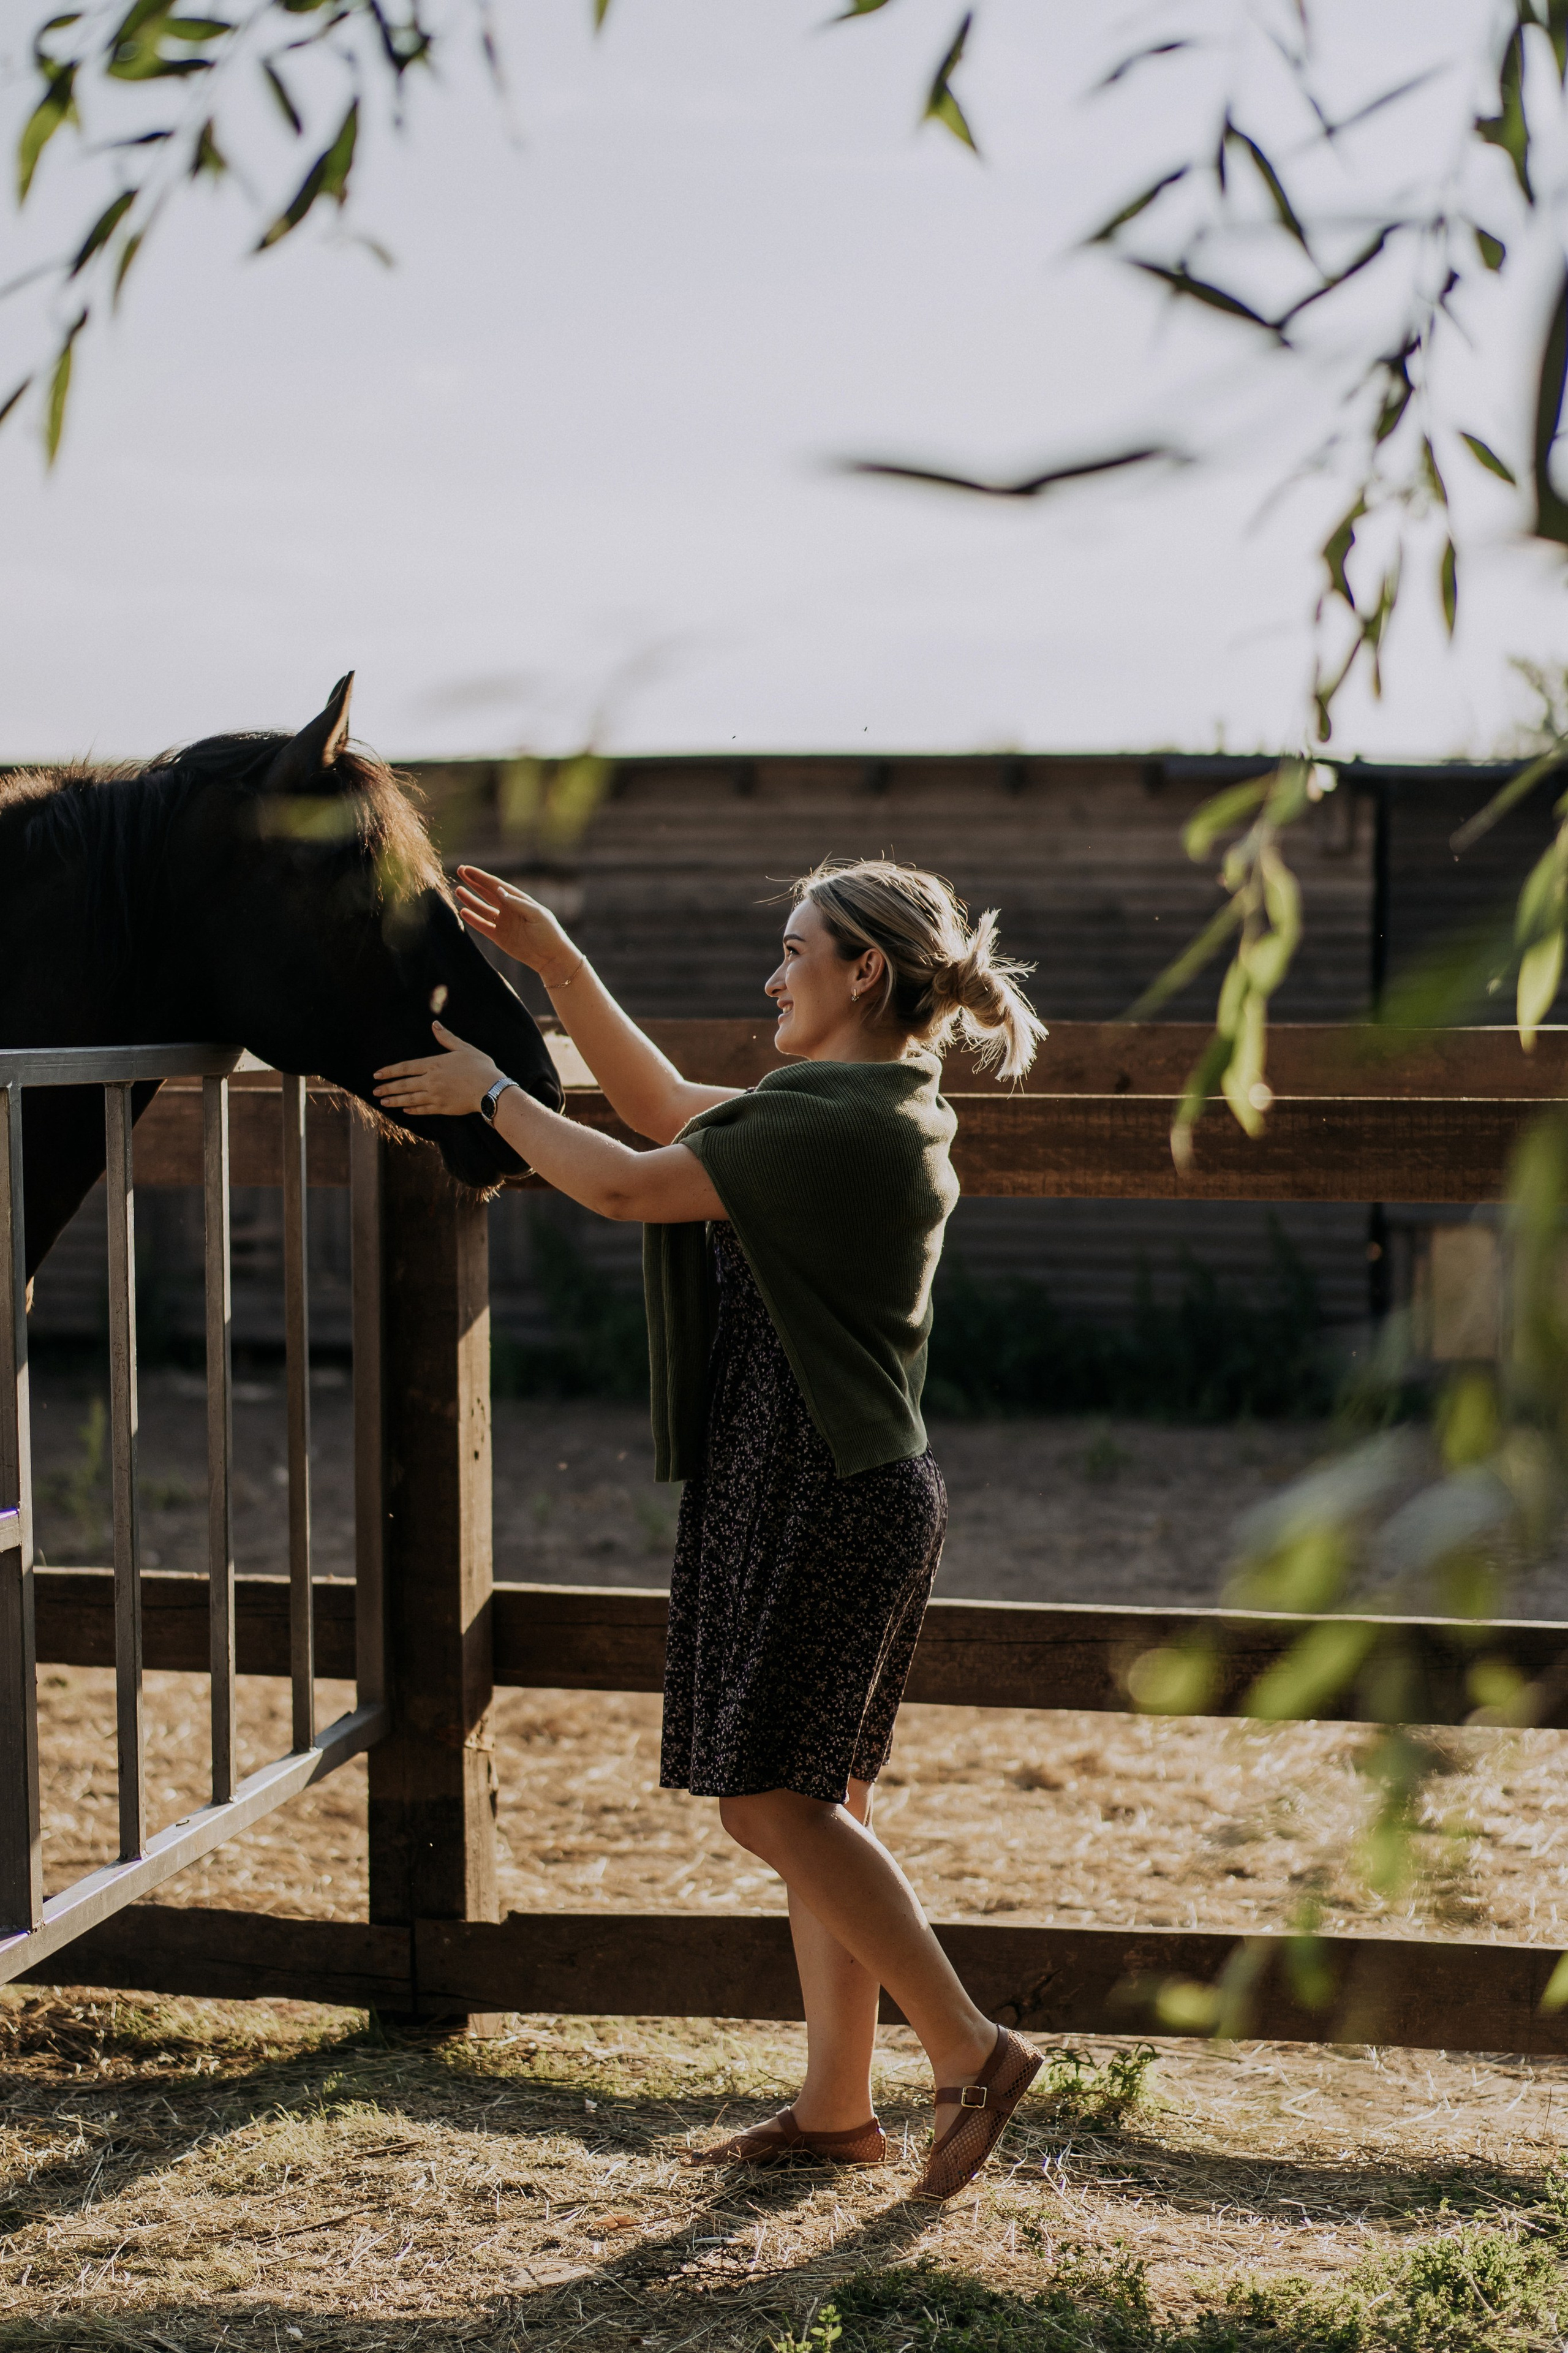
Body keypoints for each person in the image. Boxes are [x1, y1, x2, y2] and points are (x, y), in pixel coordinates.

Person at [373, 855, 1049, 2202]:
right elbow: (663, 1110)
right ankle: (836, 2108)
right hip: (827, 1479)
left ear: (863, 969)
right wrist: (557, 964)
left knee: (770, 1801)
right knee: (822, 1806)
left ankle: (970, 2050)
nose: (770, 973)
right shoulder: (857, 1102)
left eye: (793, 949)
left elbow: (626, 1184)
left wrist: (494, 1094)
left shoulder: (839, 1124)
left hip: (823, 1485)